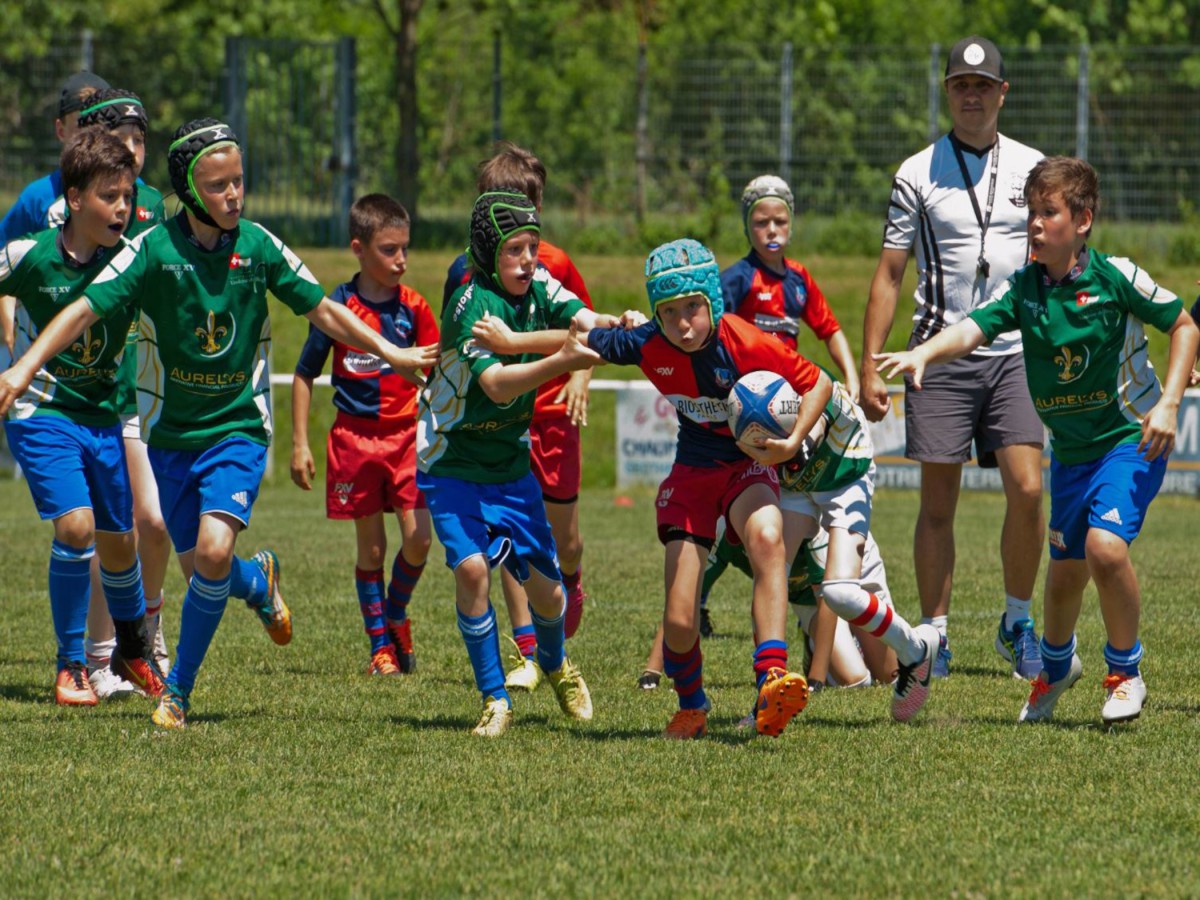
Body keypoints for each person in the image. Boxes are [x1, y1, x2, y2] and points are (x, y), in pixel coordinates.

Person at [0, 118, 438, 728]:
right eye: (219, 185)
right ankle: (257, 583)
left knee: (210, 549)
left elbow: (325, 311)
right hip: (169, 440)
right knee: (205, 566)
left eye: (239, 181)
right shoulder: (149, 251)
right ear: (188, 188)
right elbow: (80, 310)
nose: (235, 195)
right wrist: (21, 369)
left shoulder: (257, 246)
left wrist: (391, 354)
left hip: (237, 428)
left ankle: (177, 691)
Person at [875, 156, 1199, 724]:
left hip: (1129, 439)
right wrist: (924, 351)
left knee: (1104, 548)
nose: (1035, 224)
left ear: (1083, 221)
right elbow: (974, 328)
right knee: (1065, 573)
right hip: (1071, 456)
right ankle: (1054, 667)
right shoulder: (1024, 288)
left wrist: (1169, 403)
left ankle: (1125, 672)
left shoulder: (1115, 276)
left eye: (1049, 213)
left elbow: (1185, 326)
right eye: (1031, 212)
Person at [574, 238, 827, 739]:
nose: (683, 323)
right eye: (669, 313)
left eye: (693, 308)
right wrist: (595, 322)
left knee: (768, 539)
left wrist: (793, 440)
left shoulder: (746, 341)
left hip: (744, 467)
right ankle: (692, 705)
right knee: (679, 617)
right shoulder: (648, 342)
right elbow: (580, 332)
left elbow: (817, 381)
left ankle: (771, 680)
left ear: (712, 299)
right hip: (692, 471)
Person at [859, 36, 1047, 680]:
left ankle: (1017, 621)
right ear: (948, 93)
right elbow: (888, 274)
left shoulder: (1034, 167)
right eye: (961, 86)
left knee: (1027, 487)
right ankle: (934, 636)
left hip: (1018, 351)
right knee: (938, 504)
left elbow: (1063, 261)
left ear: (1003, 93)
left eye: (983, 85)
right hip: (935, 354)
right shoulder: (917, 171)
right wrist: (868, 365)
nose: (972, 96)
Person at [417, 189, 603, 738]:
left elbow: (582, 318)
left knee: (549, 593)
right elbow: (497, 386)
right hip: (452, 464)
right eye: (514, 250)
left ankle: (553, 662)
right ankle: (494, 697)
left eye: (533, 247)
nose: (528, 260)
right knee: (473, 570)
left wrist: (617, 321)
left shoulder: (540, 283)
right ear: (487, 251)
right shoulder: (469, 303)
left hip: (509, 466)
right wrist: (562, 358)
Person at [0, 130, 164, 705]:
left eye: (127, 197)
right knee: (76, 527)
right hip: (41, 408)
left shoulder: (134, 261)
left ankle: (132, 649)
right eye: (109, 196)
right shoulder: (29, 254)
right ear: (74, 200)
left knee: (122, 545)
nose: (123, 208)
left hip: (104, 415)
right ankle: (70, 665)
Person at [442, 143, 594, 694]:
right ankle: (530, 651)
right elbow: (466, 345)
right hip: (496, 421)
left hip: (552, 411)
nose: (524, 235)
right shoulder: (467, 273)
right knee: (502, 543)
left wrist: (577, 374)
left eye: (529, 206)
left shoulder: (551, 266)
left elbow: (585, 327)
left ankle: (561, 592)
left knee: (564, 543)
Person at [291, 193, 438, 676]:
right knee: (372, 550)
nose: (401, 261)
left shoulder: (414, 309)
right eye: (389, 250)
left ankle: (395, 613)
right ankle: (380, 647)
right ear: (359, 248)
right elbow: (304, 373)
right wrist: (299, 443)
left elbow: (442, 370)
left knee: (419, 541)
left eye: (405, 250)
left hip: (406, 440)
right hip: (354, 441)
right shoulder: (337, 308)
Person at [75, 87, 173, 695]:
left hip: (148, 386)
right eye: (124, 140)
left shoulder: (156, 206)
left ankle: (146, 636)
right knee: (113, 527)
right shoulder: (73, 206)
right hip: (94, 389)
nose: (136, 152)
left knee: (154, 523)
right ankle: (101, 654)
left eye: (142, 141)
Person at [0, 71, 110, 243]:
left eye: (102, 126)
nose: (93, 137)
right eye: (82, 126)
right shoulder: (37, 199)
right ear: (61, 130)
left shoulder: (135, 193)